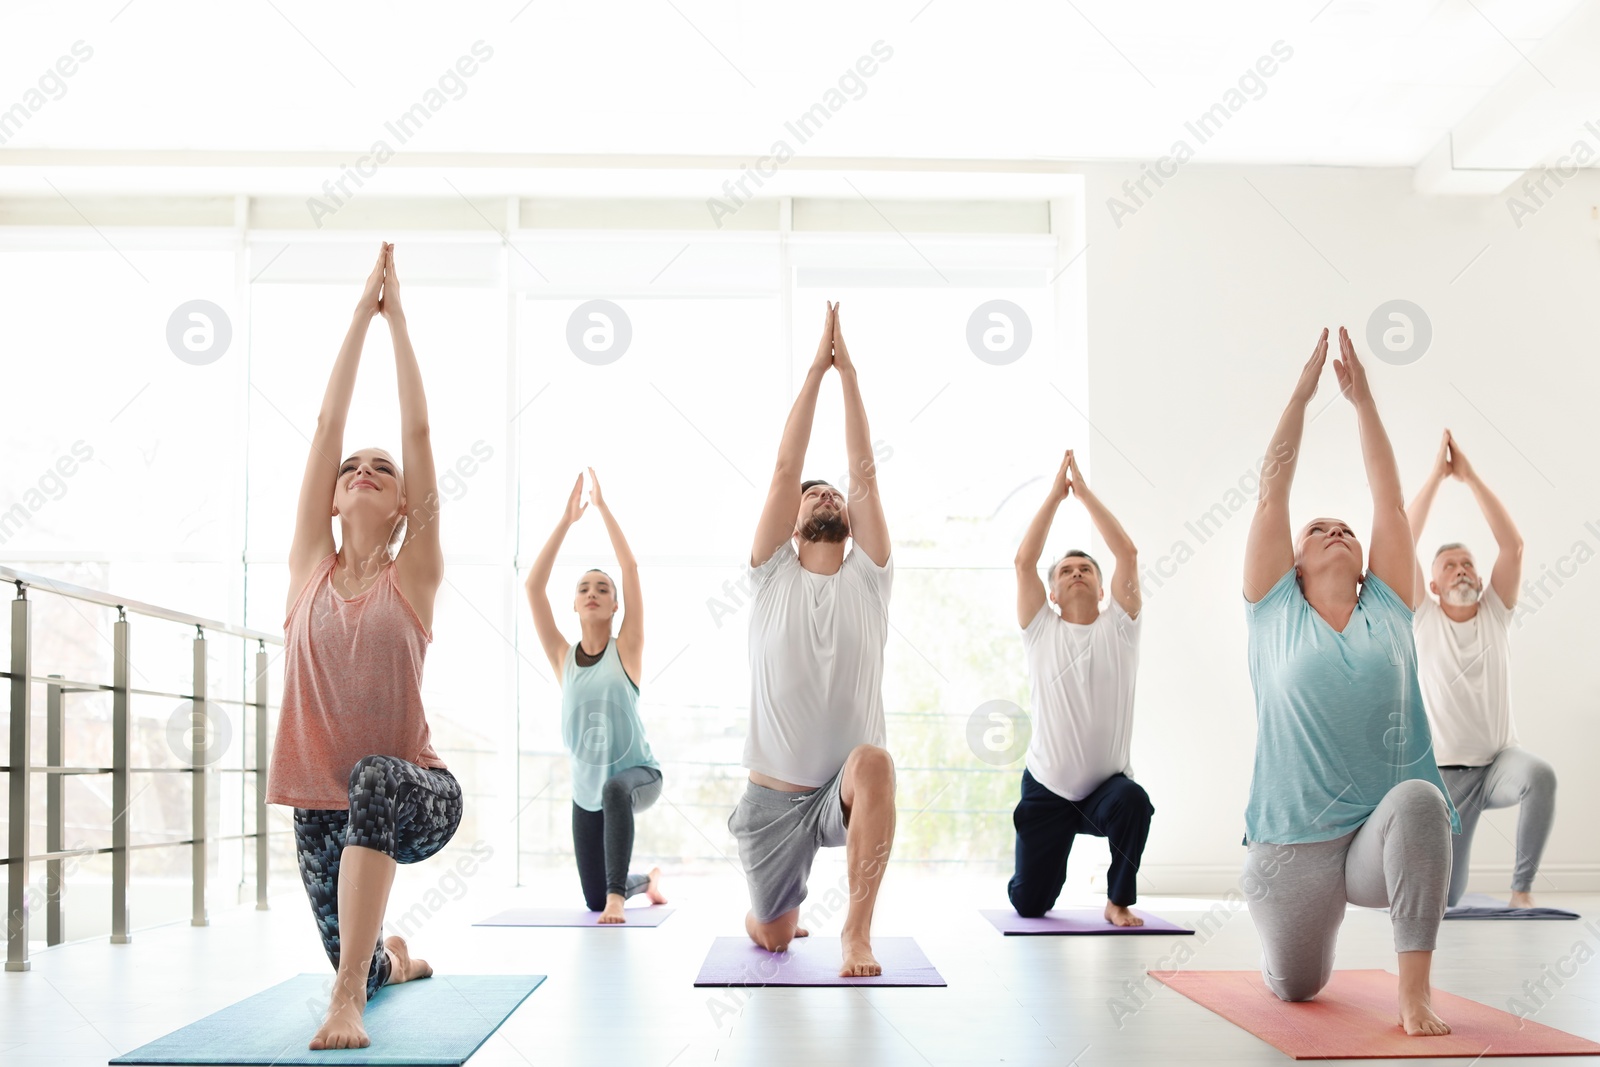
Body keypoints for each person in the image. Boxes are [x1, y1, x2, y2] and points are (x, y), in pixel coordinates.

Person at [265, 243, 461, 1050]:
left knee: (376, 777)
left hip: (421, 795)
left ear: (405, 499)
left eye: (383, 469)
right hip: (322, 806)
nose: (363, 470)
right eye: (353, 468)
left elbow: (416, 427)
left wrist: (399, 320)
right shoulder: (308, 565)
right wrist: (357, 316)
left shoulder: (414, 572)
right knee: (362, 948)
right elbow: (325, 428)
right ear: (336, 498)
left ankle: (346, 996)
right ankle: (388, 965)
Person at [1241, 326, 1460, 1036]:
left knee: (1424, 798)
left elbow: (1390, 501)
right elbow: (1273, 487)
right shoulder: (1274, 611)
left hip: (1376, 833)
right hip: (1292, 845)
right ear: (1293, 564)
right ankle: (1292, 939)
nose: (1337, 530)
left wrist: (1363, 401)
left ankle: (1413, 992)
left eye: (1346, 529)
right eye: (1318, 530)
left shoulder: (1389, 608)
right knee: (1298, 988)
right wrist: (1303, 396)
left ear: (1366, 563)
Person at [729, 301, 896, 977]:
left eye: (833, 495)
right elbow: (782, 466)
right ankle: (770, 914)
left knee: (877, 763)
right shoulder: (770, 575)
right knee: (772, 935)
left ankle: (857, 932)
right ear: (793, 528)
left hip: (841, 789)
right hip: (772, 799)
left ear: (850, 523)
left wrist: (849, 376)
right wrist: (814, 373)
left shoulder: (871, 577)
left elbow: (865, 472)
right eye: (811, 495)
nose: (825, 493)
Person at [1407, 429, 1553, 908]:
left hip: (1498, 764)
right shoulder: (1423, 617)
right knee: (1447, 897)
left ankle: (1522, 892)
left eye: (1467, 562)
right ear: (1432, 583)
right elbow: (1402, 537)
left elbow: (1512, 545)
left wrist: (1469, 478)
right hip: (1447, 778)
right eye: (1450, 565)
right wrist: (1436, 477)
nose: (1462, 570)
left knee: (1542, 775)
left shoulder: (1495, 612)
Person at [1008, 449, 1151, 927]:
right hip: (1048, 788)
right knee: (1030, 905)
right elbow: (1024, 561)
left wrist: (1084, 495)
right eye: (1066, 571)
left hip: (1105, 792)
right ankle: (1046, 869)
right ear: (1052, 592)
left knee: (1134, 802)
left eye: (1085, 569)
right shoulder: (1040, 629)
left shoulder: (1121, 627)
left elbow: (1126, 553)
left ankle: (1118, 900)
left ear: (1102, 586)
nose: (1075, 573)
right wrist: (1054, 497)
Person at [524, 467, 667, 922]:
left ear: (614, 604)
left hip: (637, 776)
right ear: (574, 603)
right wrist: (566, 521)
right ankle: (643, 883)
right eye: (584, 587)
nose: (593, 593)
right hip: (587, 793)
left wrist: (601, 509)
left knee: (613, 790)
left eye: (602, 589)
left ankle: (618, 899)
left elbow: (629, 567)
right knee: (592, 897)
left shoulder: (627, 649)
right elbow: (532, 587)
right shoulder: (563, 658)